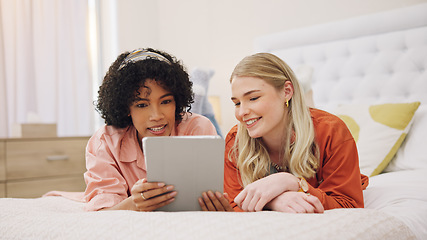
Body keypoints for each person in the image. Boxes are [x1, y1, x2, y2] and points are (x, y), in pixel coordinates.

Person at [198, 52, 368, 213]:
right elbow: (235, 204)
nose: (241, 113)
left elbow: (349, 205)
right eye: (236, 103)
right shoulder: (235, 141)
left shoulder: (331, 131)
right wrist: (274, 200)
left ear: (287, 91)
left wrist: (292, 183)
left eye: (253, 98)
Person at [84, 48, 217, 211]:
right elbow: (103, 213)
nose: (156, 116)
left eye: (166, 101)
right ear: (126, 107)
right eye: (142, 105)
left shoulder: (198, 128)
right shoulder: (105, 142)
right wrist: (133, 204)